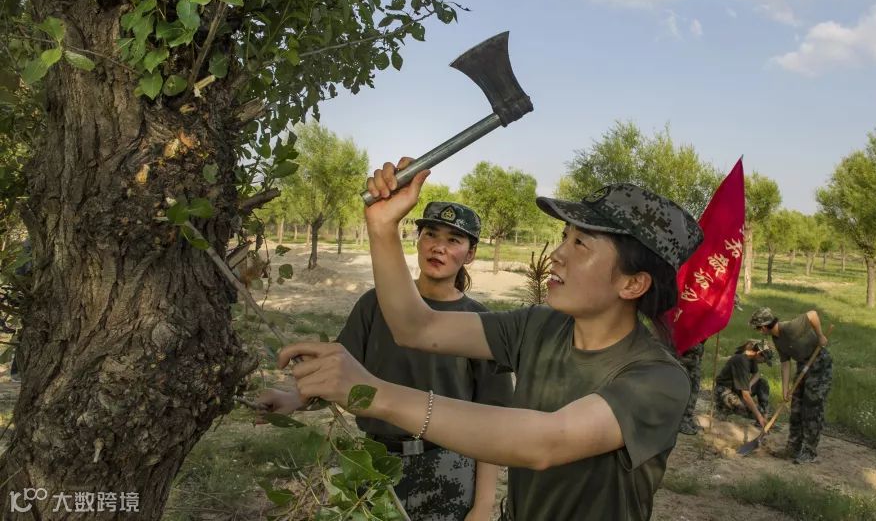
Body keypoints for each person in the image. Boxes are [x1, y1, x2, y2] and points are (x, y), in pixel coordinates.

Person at [277, 162, 704, 521]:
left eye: (580, 244)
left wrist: (375, 395)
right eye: (564, 237)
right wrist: (383, 228)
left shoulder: (659, 380)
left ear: (632, 284)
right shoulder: (539, 326)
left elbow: (545, 441)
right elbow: (417, 327)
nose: (557, 253)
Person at [259, 201, 513, 521]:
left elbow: (493, 423)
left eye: (453, 240)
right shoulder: (375, 305)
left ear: (471, 254)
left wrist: (482, 506)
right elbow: (338, 373)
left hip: (450, 468)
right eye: (431, 234)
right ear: (417, 240)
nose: (438, 247)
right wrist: (291, 399)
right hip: (375, 463)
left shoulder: (480, 324)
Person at [750, 307, 831, 464]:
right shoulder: (776, 338)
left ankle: (809, 452)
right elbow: (785, 363)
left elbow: (813, 314)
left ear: (764, 327)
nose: (759, 331)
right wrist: (785, 390)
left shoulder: (789, 327)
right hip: (803, 365)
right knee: (796, 407)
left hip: (819, 364)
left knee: (811, 407)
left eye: (758, 328)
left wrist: (820, 336)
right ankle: (793, 448)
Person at [714, 339, 773, 429]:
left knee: (762, 383)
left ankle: (763, 414)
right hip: (725, 390)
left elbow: (756, 374)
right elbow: (745, 395)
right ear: (759, 353)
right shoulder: (741, 361)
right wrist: (759, 416)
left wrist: (749, 384)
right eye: (764, 360)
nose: (763, 362)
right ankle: (723, 409)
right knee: (754, 412)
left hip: (737, 389)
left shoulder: (752, 358)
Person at [677, 342, 705, 434]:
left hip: (694, 365)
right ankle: (681, 422)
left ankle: (688, 418)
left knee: (694, 392)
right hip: (686, 365)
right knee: (686, 392)